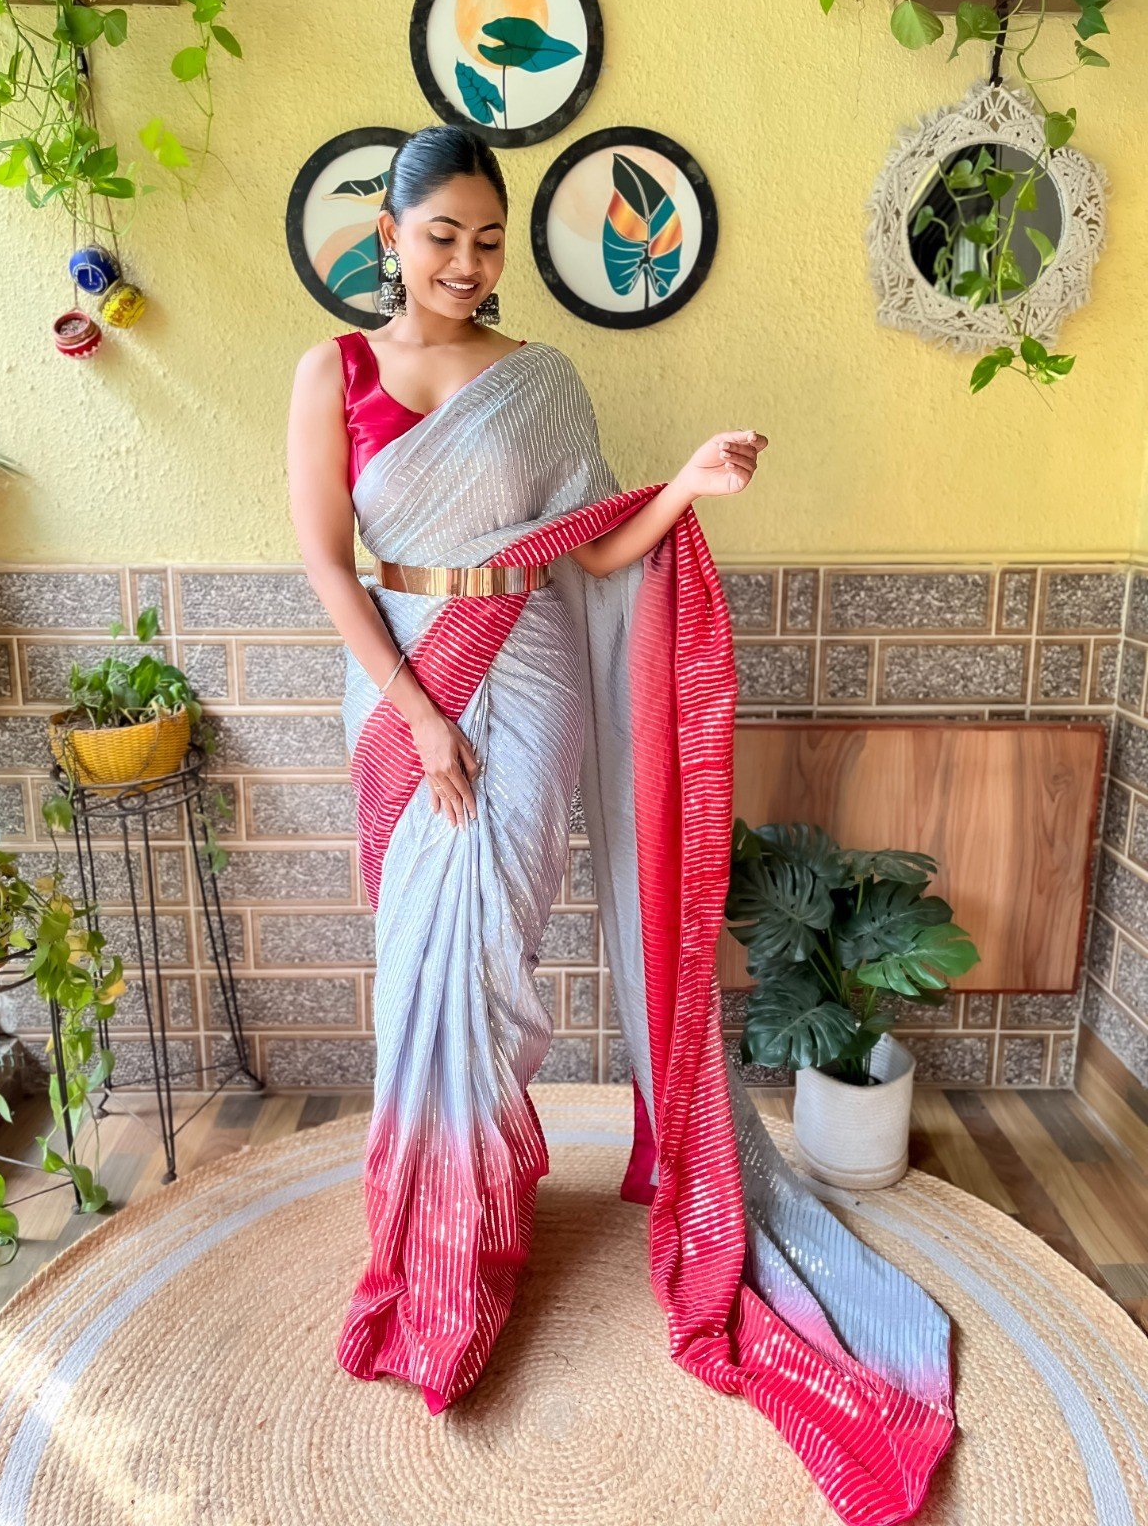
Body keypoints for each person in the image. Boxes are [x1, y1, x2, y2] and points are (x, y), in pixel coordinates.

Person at [286, 123, 954, 1526]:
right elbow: (326, 564)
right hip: (402, 688)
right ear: (389, 235)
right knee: (418, 977)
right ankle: (433, 1245)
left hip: (526, 681)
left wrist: (686, 483)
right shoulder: (331, 372)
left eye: (487, 240)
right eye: (441, 235)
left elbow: (589, 548)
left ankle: (474, 1241)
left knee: (491, 964)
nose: (466, 262)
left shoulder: (539, 380)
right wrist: (418, 715)